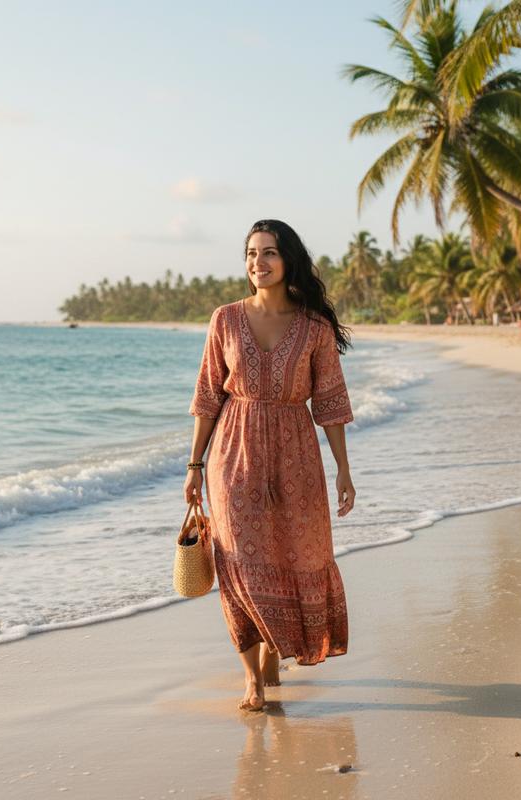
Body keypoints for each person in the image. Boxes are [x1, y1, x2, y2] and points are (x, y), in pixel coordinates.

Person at [184, 219, 356, 712]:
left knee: (294, 553)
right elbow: (206, 397)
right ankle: (252, 680)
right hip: (233, 452)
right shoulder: (224, 320)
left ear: (288, 260)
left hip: (296, 450)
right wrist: (194, 465)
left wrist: (343, 469)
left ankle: (273, 654)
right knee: (237, 558)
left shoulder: (314, 327)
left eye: (269, 253)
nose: (258, 263)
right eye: (251, 254)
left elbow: (330, 402)